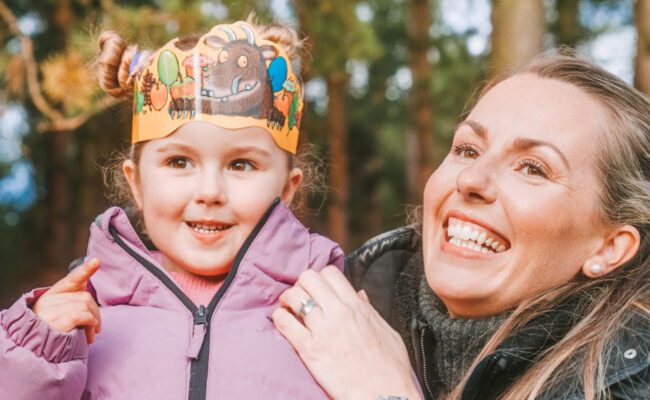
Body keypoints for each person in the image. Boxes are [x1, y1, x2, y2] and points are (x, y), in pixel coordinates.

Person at [273, 50, 650, 400]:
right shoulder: (346, 302)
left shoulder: (628, 382)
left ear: (609, 247)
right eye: (468, 149)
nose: (471, 179)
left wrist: (385, 392)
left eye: (532, 168)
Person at [0, 20, 344, 399]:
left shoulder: (333, 318)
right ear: (137, 184)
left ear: (287, 188)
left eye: (241, 164)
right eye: (180, 162)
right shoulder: (77, 326)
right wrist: (34, 356)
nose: (210, 192)